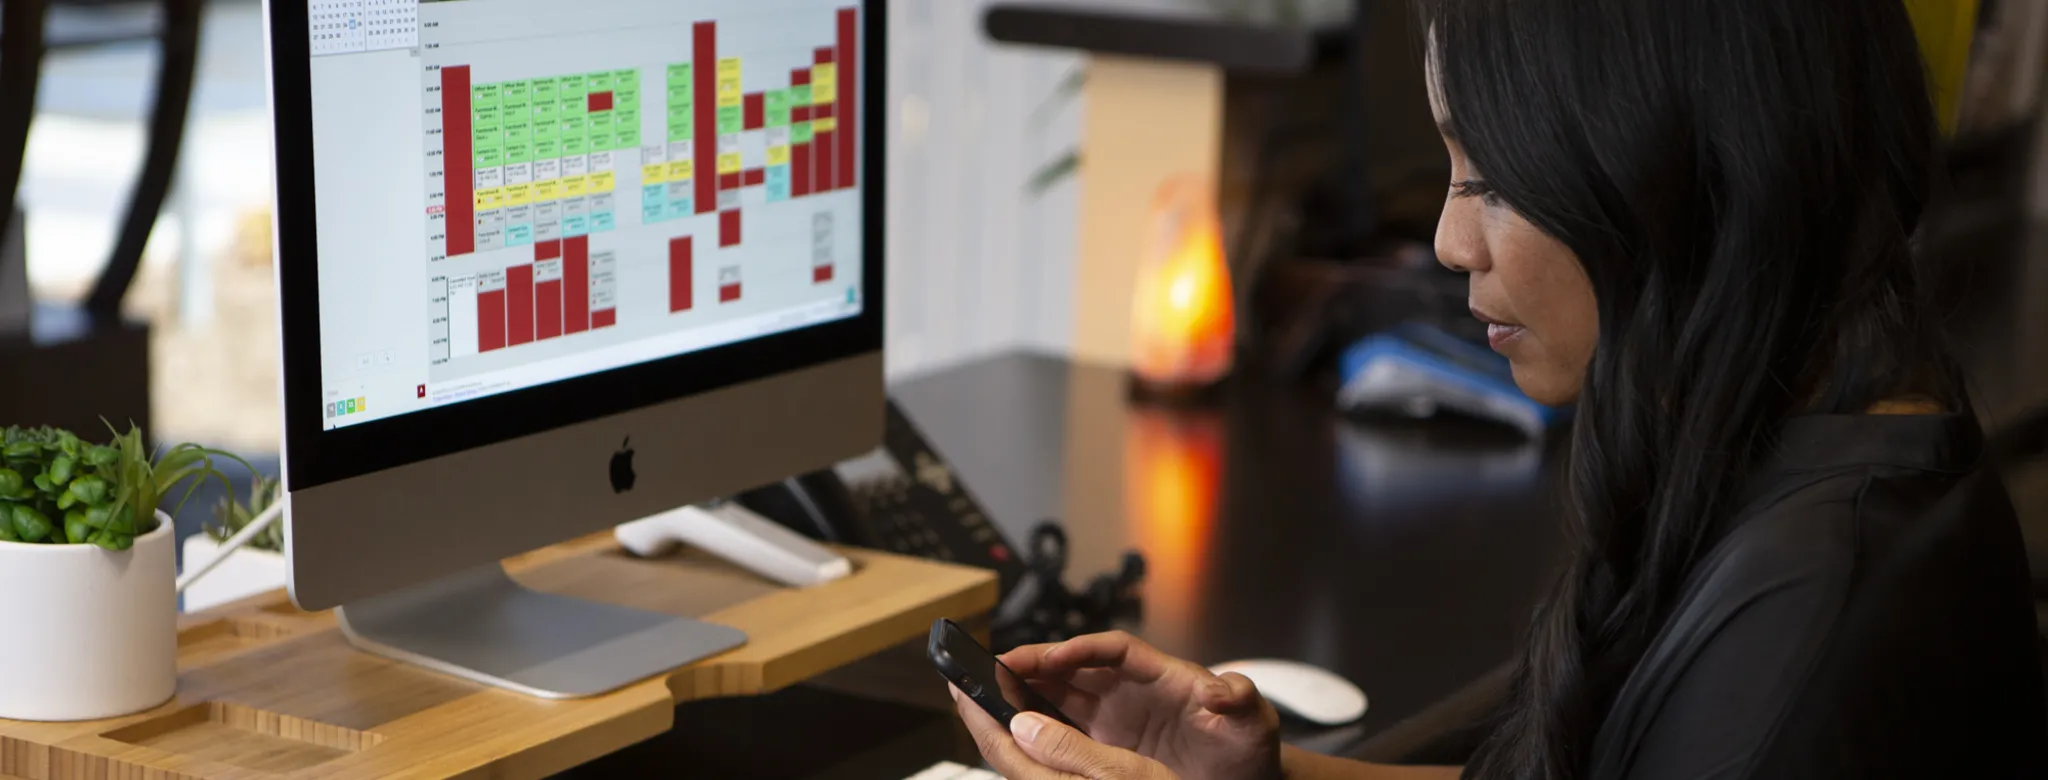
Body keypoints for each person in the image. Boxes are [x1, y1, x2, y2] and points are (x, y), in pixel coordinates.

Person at [950, 0, 2048, 777]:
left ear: (1675, 165)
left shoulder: (1799, 642)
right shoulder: (1800, 445)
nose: (1445, 239)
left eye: (1492, 177)